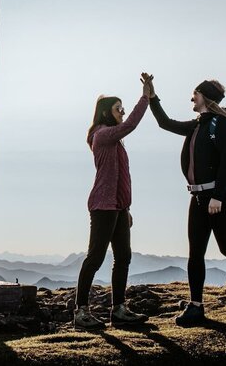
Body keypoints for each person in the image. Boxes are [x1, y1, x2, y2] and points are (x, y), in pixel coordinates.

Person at [144, 74, 226, 325]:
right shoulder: (197, 124)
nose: (192, 97)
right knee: (195, 252)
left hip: (216, 197)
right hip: (198, 196)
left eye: (195, 93)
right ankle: (196, 306)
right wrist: (152, 96)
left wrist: (218, 197)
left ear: (205, 97)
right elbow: (164, 123)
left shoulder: (221, 125)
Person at [73, 76, 152, 329]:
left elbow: (120, 178)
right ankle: (81, 312)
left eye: (123, 108)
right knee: (94, 258)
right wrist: (146, 97)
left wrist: (125, 208)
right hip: (102, 207)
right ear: (108, 112)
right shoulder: (103, 136)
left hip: (117, 208)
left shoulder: (114, 141)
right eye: (119, 108)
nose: (123, 112)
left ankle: (119, 310)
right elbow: (130, 125)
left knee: (123, 257)